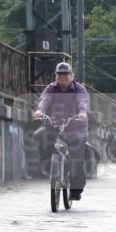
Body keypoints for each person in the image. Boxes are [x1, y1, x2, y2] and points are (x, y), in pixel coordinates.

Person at [32, 62, 90, 200]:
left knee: (76, 157)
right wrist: (40, 110)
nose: (62, 77)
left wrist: (82, 113)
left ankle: (76, 190)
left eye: (66, 74)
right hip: (54, 124)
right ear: (56, 76)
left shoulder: (79, 89)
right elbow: (44, 100)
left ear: (72, 76)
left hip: (75, 126)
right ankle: (49, 164)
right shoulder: (51, 88)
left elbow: (83, 102)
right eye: (59, 74)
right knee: (38, 135)